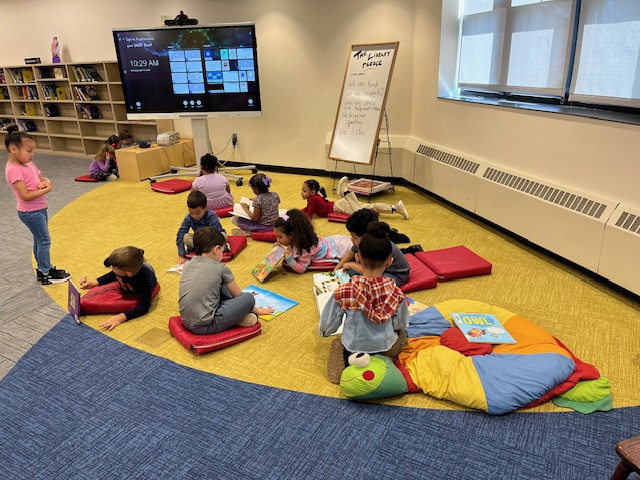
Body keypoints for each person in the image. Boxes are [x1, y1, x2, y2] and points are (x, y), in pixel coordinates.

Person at [319, 221, 410, 383]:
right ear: (389, 262)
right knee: (403, 334)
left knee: (338, 341)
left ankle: (348, 362)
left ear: (358, 257)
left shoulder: (344, 291)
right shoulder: (396, 292)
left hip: (353, 346)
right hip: (386, 347)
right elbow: (400, 323)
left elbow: (330, 322)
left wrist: (324, 332)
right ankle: (384, 362)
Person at [4, 126, 70, 285]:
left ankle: (43, 269)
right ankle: (46, 273)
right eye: (28, 151)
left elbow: (41, 178)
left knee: (39, 240)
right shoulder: (13, 170)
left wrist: (44, 183)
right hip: (30, 212)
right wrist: (46, 188)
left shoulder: (28, 164)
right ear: (14, 149)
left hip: (39, 209)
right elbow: (25, 195)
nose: (32, 155)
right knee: (44, 241)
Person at [179, 227, 274, 334]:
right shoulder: (221, 268)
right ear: (216, 249)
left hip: (185, 321)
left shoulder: (187, 264)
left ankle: (235, 317)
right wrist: (256, 309)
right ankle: (237, 319)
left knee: (219, 285)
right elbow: (238, 295)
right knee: (248, 298)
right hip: (206, 326)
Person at [79, 246, 157, 331]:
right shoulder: (124, 271)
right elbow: (112, 275)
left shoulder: (145, 280)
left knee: (145, 265)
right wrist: (94, 283)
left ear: (128, 273)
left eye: (113, 267)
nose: (111, 268)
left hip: (147, 270)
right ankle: (138, 253)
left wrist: (121, 317)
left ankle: (140, 254)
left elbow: (144, 307)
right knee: (113, 263)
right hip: (131, 268)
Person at [335, 209, 410, 287]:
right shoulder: (365, 241)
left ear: (366, 236)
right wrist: (335, 270)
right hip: (377, 267)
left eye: (355, 237)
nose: (351, 239)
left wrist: (351, 265)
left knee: (370, 283)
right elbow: (351, 253)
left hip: (395, 274)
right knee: (349, 271)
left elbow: (371, 272)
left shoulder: (377, 246)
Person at [273, 209, 352, 273]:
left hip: (339, 248)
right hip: (333, 241)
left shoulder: (304, 249)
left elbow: (302, 269)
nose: (277, 240)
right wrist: (280, 248)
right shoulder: (299, 238)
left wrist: (290, 259)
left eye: (280, 237)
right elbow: (291, 247)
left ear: (292, 234)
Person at [300, 178, 409, 220]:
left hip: (339, 207)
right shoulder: (313, 198)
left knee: (360, 213)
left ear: (313, 192)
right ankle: (395, 208)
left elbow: (309, 214)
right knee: (370, 207)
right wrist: (297, 212)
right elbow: (308, 209)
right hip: (341, 205)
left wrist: (298, 218)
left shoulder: (313, 199)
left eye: (304, 191)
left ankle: (345, 193)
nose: (302, 193)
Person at [176, 191, 227, 265]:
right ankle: (213, 249)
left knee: (224, 236)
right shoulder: (188, 217)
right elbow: (181, 234)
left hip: (213, 238)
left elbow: (216, 234)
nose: (194, 216)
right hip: (200, 239)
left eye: (198, 213)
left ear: (205, 208)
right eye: (191, 213)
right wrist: (181, 255)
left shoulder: (211, 215)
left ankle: (198, 249)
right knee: (186, 237)